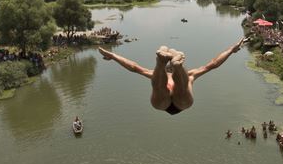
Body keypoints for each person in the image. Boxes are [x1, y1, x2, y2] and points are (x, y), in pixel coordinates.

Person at [98, 37, 247, 115]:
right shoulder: (191, 74)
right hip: (182, 103)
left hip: (161, 103)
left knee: (158, 85)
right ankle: (175, 64)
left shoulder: (157, 75)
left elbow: (134, 68)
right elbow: (213, 64)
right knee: (184, 82)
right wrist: (232, 50)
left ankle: (161, 62)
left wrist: (113, 56)